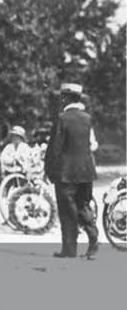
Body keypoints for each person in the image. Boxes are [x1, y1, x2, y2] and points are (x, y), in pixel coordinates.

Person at [44, 81, 99, 259]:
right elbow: (91, 145)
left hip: (66, 173)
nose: (61, 100)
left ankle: (69, 250)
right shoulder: (87, 119)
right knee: (83, 206)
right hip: (86, 172)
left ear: (66, 98)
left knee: (67, 212)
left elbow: (55, 148)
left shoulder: (62, 119)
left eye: (63, 97)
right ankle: (93, 242)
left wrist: (49, 170)